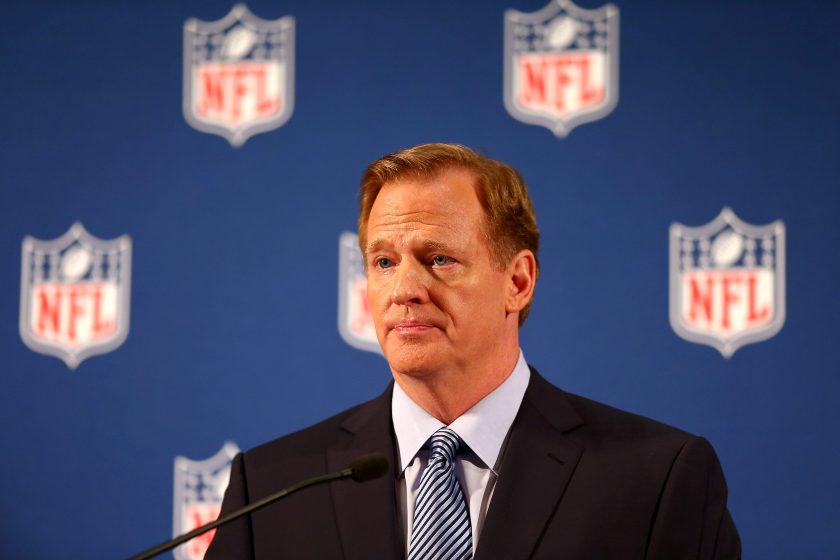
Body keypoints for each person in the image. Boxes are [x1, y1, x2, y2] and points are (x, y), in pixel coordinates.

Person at [205, 143, 740, 559]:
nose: (405, 289)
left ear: (518, 280)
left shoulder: (656, 478)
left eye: (438, 259)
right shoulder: (273, 488)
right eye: (383, 262)